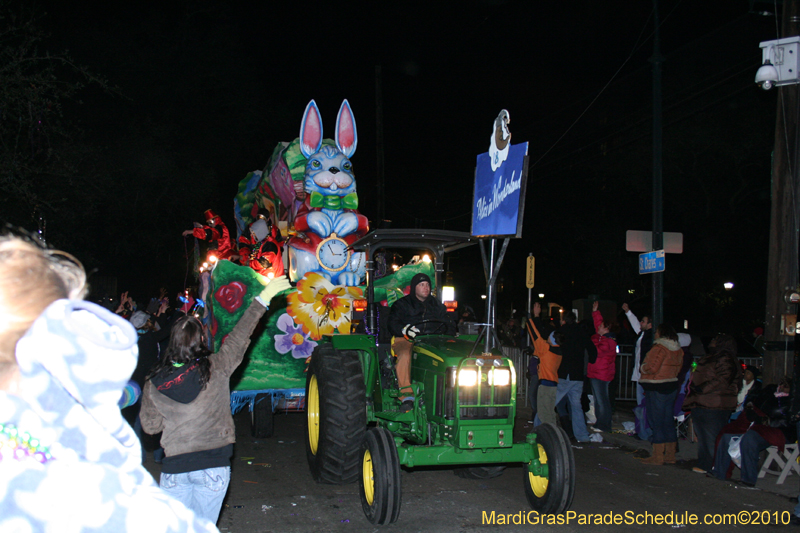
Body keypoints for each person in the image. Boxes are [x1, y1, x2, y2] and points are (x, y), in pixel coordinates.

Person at [0, 235, 218, 532]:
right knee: (137, 427)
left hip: (135, 392)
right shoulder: (91, 485)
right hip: (137, 394)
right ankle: (150, 451)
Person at [140, 275, 290, 525]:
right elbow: (239, 335)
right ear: (200, 340)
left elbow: (151, 427)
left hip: (175, 468)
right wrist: (263, 299)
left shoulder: (154, 382)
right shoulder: (216, 367)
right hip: (213, 465)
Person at [387, 273, 456, 413]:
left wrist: (447, 330)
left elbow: (450, 324)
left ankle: (451, 394)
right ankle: (406, 396)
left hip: (433, 341)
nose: (426, 288)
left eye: (428, 285)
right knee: (405, 355)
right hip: (407, 340)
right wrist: (404, 330)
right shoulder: (402, 304)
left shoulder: (437, 305)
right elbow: (392, 323)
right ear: (414, 288)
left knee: (448, 357)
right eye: (422, 285)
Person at [713, 379, 795, 486]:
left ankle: (748, 479)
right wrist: (750, 408)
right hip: (760, 427)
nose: (782, 388)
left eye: (785, 387)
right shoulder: (771, 395)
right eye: (781, 385)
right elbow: (755, 402)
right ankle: (719, 472)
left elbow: (787, 422)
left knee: (750, 438)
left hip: (780, 431)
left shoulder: (791, 402)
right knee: (727, 437)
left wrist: (765, 421)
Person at [682, 334, 742, 474]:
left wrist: (703, 388)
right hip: (702, 401)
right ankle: (705, 463)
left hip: (714, 403)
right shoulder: (714, 356)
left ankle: (715, 465)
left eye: (715, 340)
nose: (711, 341)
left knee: (711, 437)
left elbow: (723, 379)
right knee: (703, 437)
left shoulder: (725, 358)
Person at [639, 322, 684, 465]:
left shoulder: (659, 348)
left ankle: (657, 455)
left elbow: (652, 367)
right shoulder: (677, 349)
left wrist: (643, 368)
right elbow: (678, 369)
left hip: (656, 385)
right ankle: (670, 455)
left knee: (656, 420)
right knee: (667, 420)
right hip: (670, 385)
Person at [554, 310, 596, 442]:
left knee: (550, 402)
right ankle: (582, 435)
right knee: (576, 406)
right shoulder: (581, 332)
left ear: (564, 320)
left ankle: (538, 429)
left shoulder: (562, 331)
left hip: (563, 372)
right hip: (577, 375)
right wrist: (591, 360)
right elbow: (592, 350)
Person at [527, 302, 562, 427]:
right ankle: (538, 432)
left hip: (545, 385)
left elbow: (535, 334)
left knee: (544, 413)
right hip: (553, 384)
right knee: (548, 411)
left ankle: (550, 435)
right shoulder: (559, 351)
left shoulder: (546, 349)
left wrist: (534, 316)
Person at [622, 303, 653, 440]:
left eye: (644, 321)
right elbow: (635, 325)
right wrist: (628, 311)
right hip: (639, 376)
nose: (641, 323)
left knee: (645, 406)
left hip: (646, 376)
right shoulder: (642, 334)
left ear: (650, 324)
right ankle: (641, 431)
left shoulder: (651, 337)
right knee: (640, 406)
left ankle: (646, 432)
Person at [588, 301, 618, 433]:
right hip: (597, 373)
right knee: (599, 399)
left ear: (606, 329)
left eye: (601, 327)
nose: (598, 327)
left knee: (602, 400)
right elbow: (597, 324)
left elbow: (597, 351)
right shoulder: (604, 338)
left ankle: (603, 424)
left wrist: (593, 339)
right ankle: (601, 423)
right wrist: (595, 312)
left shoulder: (608, 342)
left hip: (601, 374)